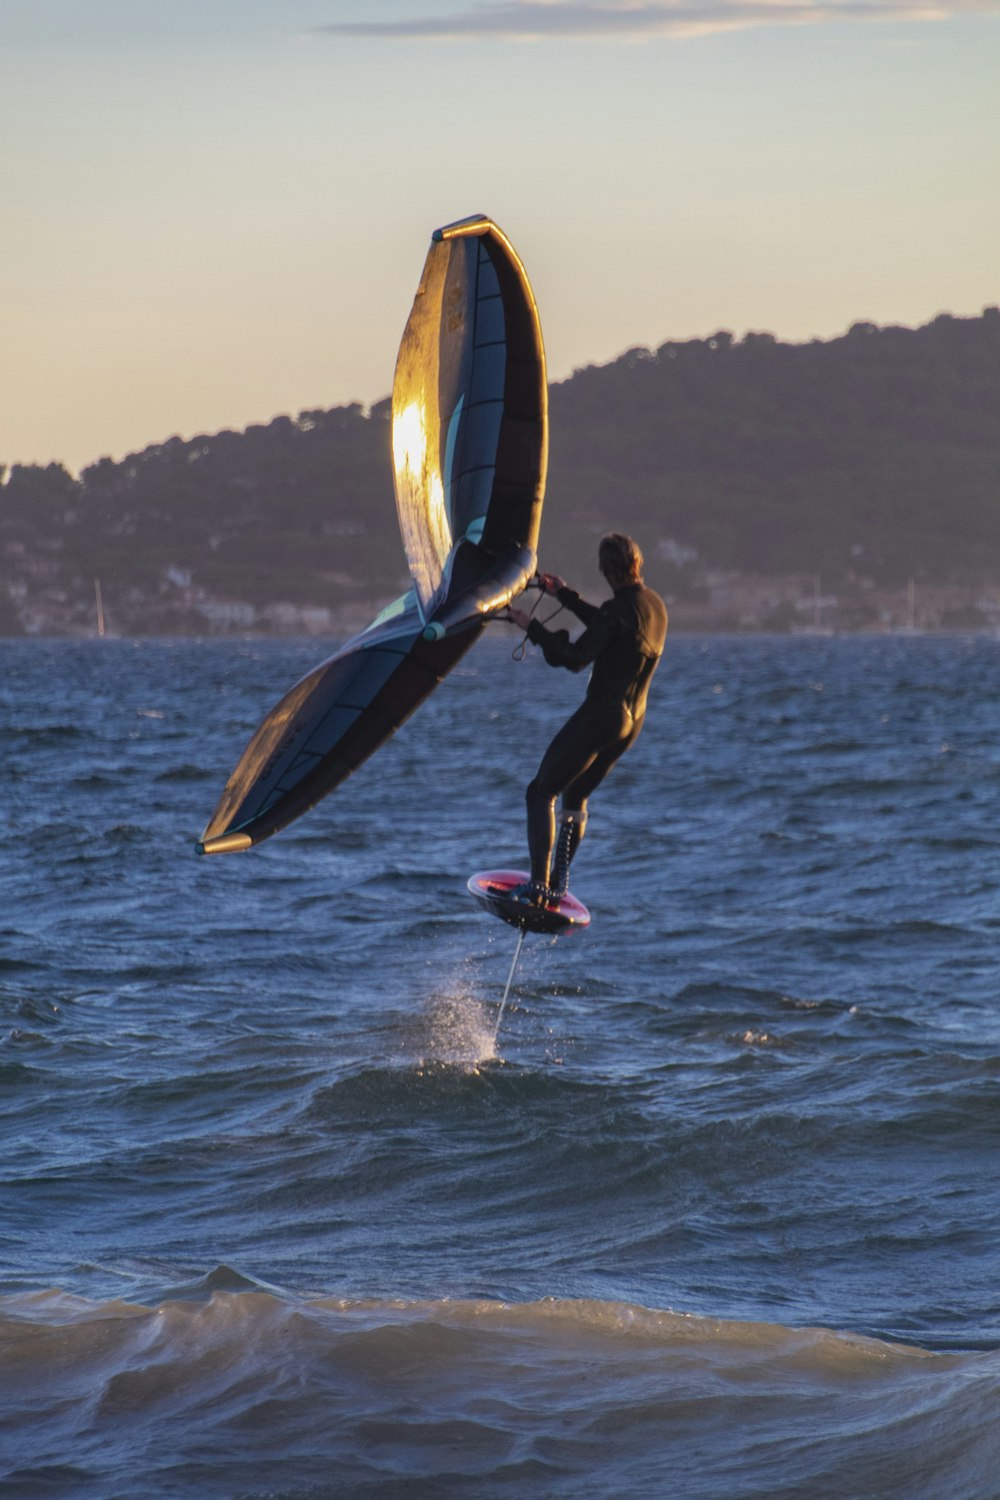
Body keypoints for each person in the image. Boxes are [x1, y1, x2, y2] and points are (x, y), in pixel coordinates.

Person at [507, 532, 667, 907]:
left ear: (606, 570)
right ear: (637, 563)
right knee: (575, 796)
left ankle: (538, 889)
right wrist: (563, 594)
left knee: (541, 791)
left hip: (603, 715)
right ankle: (557, 885)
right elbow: (609, 625)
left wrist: (531, 627)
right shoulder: (655, 605)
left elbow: (577, 657)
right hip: (632, 722)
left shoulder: (617, 611)